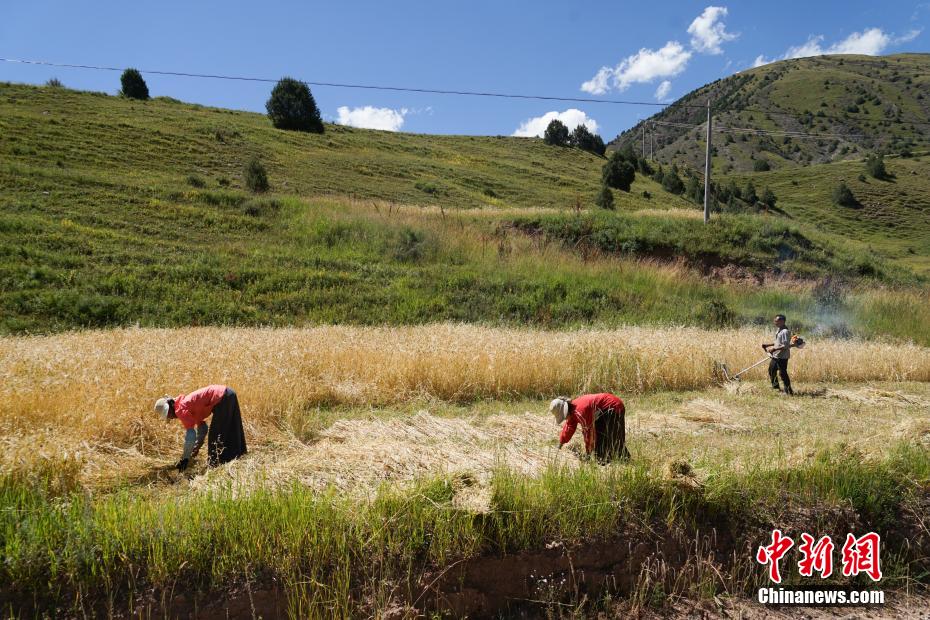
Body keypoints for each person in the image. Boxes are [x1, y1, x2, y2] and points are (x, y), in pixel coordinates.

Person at [154, 384, 247, 470]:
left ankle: (214, 467)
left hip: (222, 397)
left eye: (168, 415)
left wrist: (185, 458)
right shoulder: (187, 406)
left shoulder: (181, 410)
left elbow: (190, 435)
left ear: (170, 408)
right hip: (228, 394)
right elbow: (203, 428)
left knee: (215, 437)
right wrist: (197, 446)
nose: (171, 418)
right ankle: (236, 457)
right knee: (230, 428)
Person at [549, 392, 629, 462]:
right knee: (600, 449)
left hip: (613, 407)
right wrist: (561, 443)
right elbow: (569, 428)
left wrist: (588, 453)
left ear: (565, 411)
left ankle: (624, 459)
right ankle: (609, 460)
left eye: (564, 416)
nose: (565, 418)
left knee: (613, 438)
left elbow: (589, 432)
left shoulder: (580, 412)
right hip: (602, 411)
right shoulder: (572, 412)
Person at [762, 314, 793, 395]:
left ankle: (789, 391)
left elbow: (785, 345)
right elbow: (777, 342)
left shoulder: (785, 332)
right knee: (771, 370)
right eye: (774, 321)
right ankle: (775, 387)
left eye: (776, 321)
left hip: (782, 356)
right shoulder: (779, 330)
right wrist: (768, 345)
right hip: (776, 355)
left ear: (782, 321)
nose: (775, 322)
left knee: (782, 374)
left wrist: (774, 349)